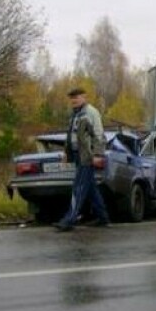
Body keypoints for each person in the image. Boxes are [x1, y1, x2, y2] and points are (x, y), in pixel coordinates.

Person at [53, 88, 110, 231]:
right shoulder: (75, 114)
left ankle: (69, 220)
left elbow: (99, 136)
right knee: (90, 189)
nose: (74, 100)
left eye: (77, 97)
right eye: (72, 98)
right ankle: (103, 218)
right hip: (77, 155)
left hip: (87, 156)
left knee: (78, 187)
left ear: (84, 97)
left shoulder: (91, 113)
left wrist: (97, 155)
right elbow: (70, 135)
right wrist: (67, 152)